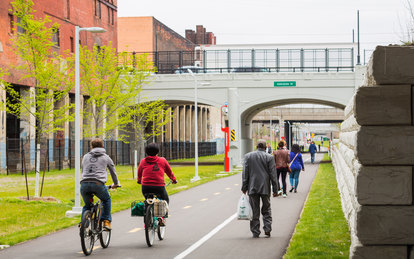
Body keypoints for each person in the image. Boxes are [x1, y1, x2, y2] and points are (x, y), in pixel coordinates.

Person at [81, 138, 121, 231]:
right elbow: (113, 172)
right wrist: (115, 183)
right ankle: (106, 221)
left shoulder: (85, 156)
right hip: (98, 184)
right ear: (103, 146)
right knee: (106, 200)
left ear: (91, 147)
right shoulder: (106, 157)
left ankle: (83, 224)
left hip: (84, 184)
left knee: (87, 205)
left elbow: (83, 170)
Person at [242, 139, 279, 238]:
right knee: (266, 209)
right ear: (265, 147)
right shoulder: (269, 157)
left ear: (256, 146)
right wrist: (276, 189)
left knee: (254, 210)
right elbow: (273, 175)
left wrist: (244, 187)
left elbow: (245, 173)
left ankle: (255, 231)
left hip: (252, 187)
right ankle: (267, 229)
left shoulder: (248, 156)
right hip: (265, 187)